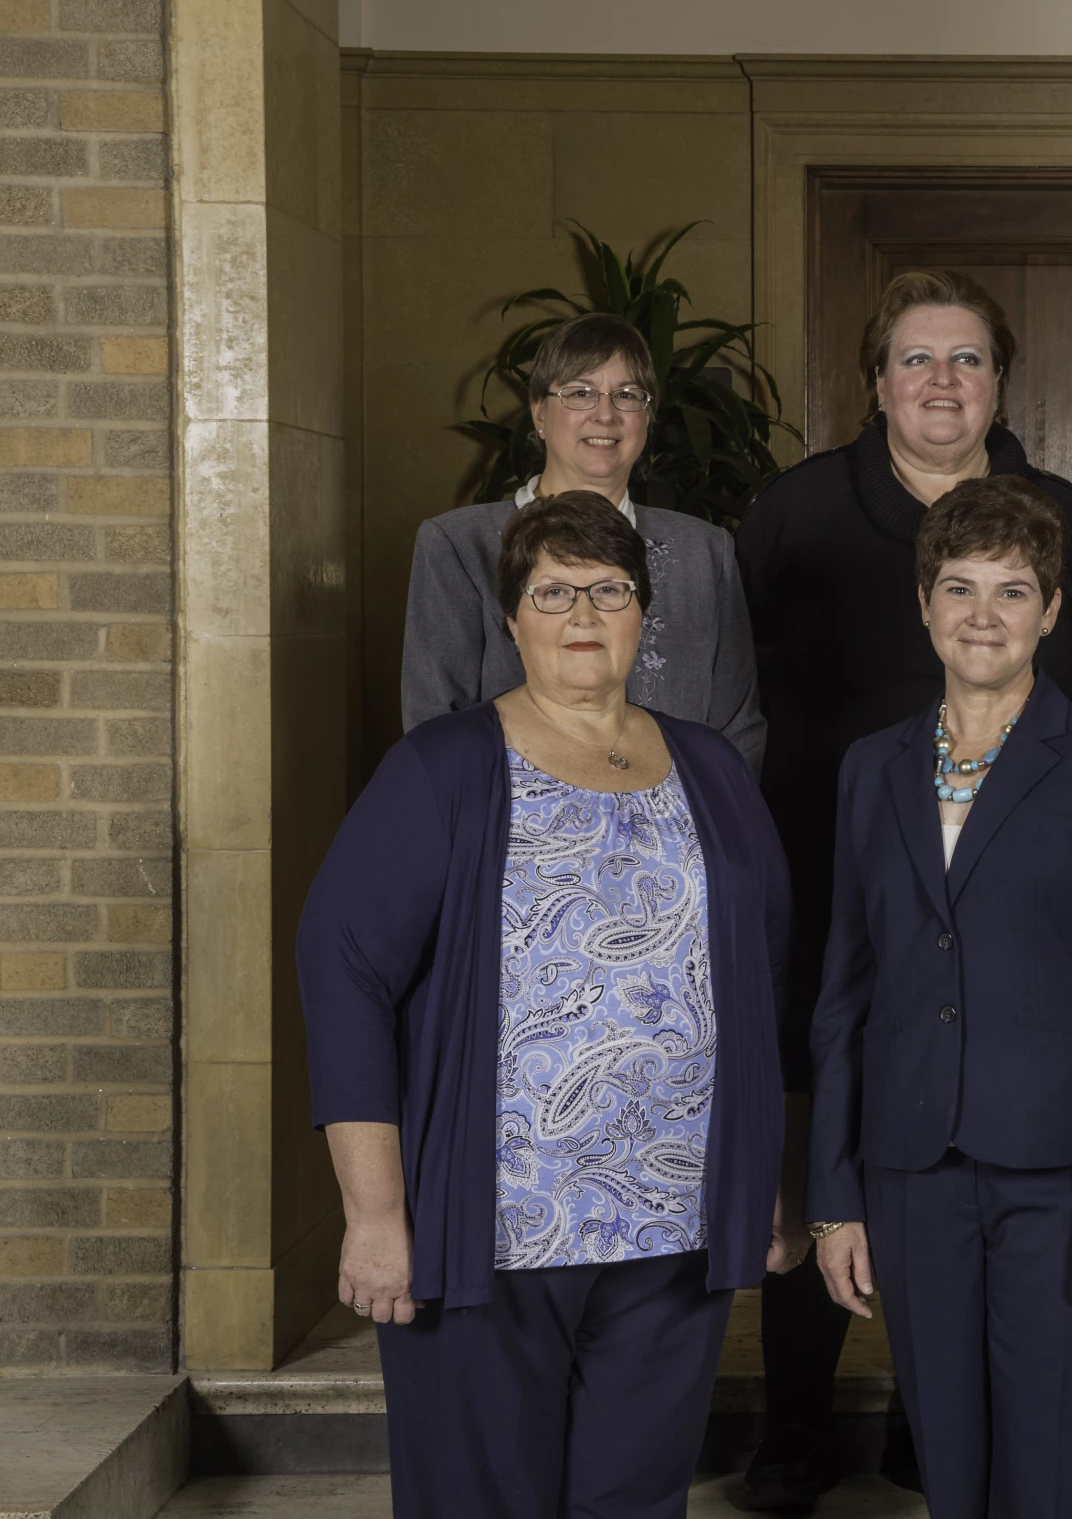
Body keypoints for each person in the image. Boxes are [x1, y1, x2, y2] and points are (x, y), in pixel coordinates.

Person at [299, 492, 807, 1518]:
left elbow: (764, 979)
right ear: (512, 617)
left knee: (635, 1499)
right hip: (490, 1227)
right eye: (554, 591)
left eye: (608, 589)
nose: (583, 612)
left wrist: (766, 1176)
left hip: (670, 1231)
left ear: (642, 612)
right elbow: (342, 968)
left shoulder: (707, 765)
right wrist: (374, 1213)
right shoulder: (445, 767)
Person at [733, 269, 1072, 1507]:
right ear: (875, 380)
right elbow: (738, 693)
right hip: (837, 889)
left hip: (1019, 930)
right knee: (833, 1162)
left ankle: (939, 1427)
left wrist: (1043, 808)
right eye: (916, 358)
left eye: (966, 359)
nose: (941, 382)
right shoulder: (795, 513)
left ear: (1000, 382)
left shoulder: (1061, 515)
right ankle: (800, 1426)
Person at [807, 476, 1072, 1519]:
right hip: (910, 1170)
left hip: (1061, 1180)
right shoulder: (867, 770)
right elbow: (845, 990)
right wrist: (834, 1194)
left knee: (1056, 1465)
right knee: (951, 1469)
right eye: (959, 588)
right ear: (923, 604)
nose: (983, 615)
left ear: (1052, 611)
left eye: (1012, 591)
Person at [401, 312, 765, 770]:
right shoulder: (458, 545)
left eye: (627, 395)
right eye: (579, 393)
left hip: (680, 832)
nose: (606, 413)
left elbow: (739, 729)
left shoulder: (705, 551)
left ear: (648, 417)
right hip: (517, 831)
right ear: (539, 414)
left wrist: (704, 831)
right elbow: (434, 730)